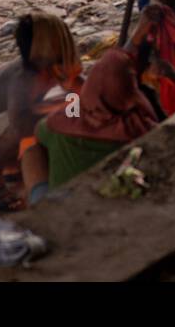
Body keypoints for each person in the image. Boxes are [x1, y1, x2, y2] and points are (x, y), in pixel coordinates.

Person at [20, 45, 158, 206]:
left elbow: (39, 131)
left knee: (31, 150)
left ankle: (39, 203)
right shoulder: (142, 127)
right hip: (118, 198)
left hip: (64, 205)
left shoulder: (62, 122)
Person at [0, 11, 83, 207]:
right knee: (21, 130)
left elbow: (80, 89)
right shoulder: (23, 77)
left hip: (3, 123)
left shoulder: (49, 66)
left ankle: (23, 168)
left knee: (67, 106)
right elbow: (20, 125)